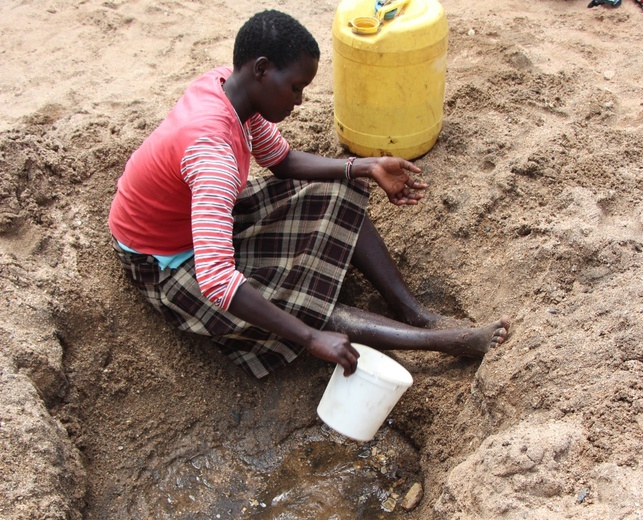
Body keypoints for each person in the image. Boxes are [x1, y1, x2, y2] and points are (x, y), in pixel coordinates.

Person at [108, 9, 509, 379]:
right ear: (262, 70)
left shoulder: (229, 89)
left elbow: (281, 161)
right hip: (164, 262)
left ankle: (413, 311)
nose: (300, 101)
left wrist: (364, 166)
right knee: (294, 305)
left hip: (199, 222)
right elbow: (216, 281)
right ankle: (446, 343)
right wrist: (310, 337)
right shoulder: (213, 155)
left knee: (342, 184)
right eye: (296, 87)